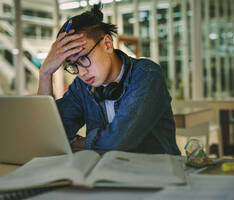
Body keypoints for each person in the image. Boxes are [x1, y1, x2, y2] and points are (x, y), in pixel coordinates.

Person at [37, 4, 180, 155]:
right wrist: (45, 74)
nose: (82, 72)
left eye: (84, 58)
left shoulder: (147, 74)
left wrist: (78, 142)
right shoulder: (82, 86)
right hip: (106, 172)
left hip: (156, 173)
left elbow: (119, 141)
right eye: (73, 66)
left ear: (107, 44)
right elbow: (50, 133)